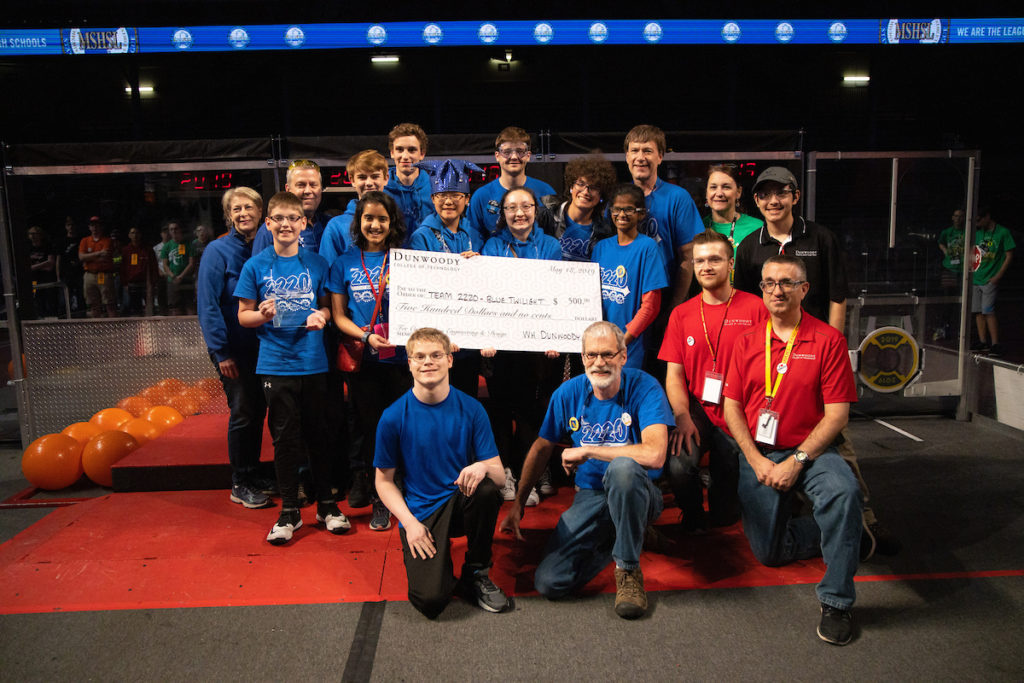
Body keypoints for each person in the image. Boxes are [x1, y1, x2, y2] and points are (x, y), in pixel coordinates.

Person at [733, 166, 898, 558]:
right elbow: (744, 304)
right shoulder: (749, 247)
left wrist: (834, 346)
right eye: (765, 195)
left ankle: (864, 522)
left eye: (781, 193)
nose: (773, 201)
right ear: (756, 201)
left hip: (816, 355)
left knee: (839, 444)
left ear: (794, 196)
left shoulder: (820, 237)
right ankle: (801, 518)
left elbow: (838, 296)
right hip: (768, 355)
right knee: (774, 438)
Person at [723, 255, 862, 645]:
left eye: (786, 283)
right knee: (769, 552)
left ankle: (836, 600)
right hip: (759, 451)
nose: (776, 290)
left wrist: (798, 461)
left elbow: (836, 416)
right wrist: (755, 459)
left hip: (811, 450)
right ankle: (847, 532)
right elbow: (732, 406)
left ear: (804, 289)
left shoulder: (827, 340)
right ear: (761, 290)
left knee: (843, 491)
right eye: (768, 283)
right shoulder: (746, 341)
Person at [500, 321, 673, 619]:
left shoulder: (645, 387)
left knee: (623, 469)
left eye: (607, 354)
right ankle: (627, 535)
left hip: (641, 491)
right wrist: (517, 503)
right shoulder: (568, 393)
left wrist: (589, 450)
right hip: (591, 495)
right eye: (591, 355)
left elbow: (655, 454)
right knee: (550, 582)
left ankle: (628, 570)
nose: (599, 362)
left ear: (623, 355)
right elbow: (542, 447)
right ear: (582, 359)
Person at [235, 191, 349, 544]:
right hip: (275, 365)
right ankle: (289, 512)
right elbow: (243, 316)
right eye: (278, 218)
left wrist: (322, 316)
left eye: (292, 218)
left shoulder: (317, 263)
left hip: (314, 363)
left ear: (303, 223)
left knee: (320, 434)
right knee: (285, 440)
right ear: (268, 223)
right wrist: (261, 315)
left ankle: (327, 506)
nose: (286, 224)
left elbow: (329, 309)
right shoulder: (255, 266)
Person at [374, 327, 510, 619]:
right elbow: (383, 482)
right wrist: (409, 523)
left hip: (461, 501)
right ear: (408, 363)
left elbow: (499, 478)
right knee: (431, 601)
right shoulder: (393, 417)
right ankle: (441, 566)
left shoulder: (472, 409)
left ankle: (476, 571)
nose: (428, 362)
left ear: (450, 360)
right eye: (419, 356)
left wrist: (482, 465)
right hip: (423, 511)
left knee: (485, 489)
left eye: (436, 355)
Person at [658, 230, 767, 530]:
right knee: (679, 465)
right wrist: (681, 416)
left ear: (730, 264)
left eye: (715, 260)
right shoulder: (681, 314)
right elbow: (675, 375)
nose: (706, 267)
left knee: (725, 515)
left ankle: (724, 509)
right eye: (700, 261)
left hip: (742, 409)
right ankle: (692, 515)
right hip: (698, 407)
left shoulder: (757, 308)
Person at [328, 191, 410, 532]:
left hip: (403, 360)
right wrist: (365, 336)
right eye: (368, 218)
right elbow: (337, 316)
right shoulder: (343, 262)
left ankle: (407, 493)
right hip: (366, 361)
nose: (375, 225)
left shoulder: (407, 259)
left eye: (382, 219)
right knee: (373, 429)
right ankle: (381, 499)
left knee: (405, 428)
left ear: (392, 223)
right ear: (358, 223)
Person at [479, 187, 561, 506]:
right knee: (499, 412)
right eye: (511, 207)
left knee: (530, 413)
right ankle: (506, 474)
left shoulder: (551, 246)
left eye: (525, 206)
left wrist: (555, 336)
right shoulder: (492, 246)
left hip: (537, 347)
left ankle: (529, 475)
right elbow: (486, 293)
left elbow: (558, 295)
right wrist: (487, 335)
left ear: (535, 210)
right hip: (500, 347)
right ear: (503, 213)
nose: (519, 213)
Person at [197, 187, 275, 510]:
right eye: (236, 209)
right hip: (234, 352)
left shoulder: (266, 248)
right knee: (243, 411)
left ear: (261, 213)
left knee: (258, 411)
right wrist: (221, 352)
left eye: (249, 207)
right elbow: (208, 305)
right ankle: (240, 482)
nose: (243, 213)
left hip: (264, 349)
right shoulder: (217, 251)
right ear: (229, 215)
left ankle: (253, 474)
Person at [408, 158, 485, 398]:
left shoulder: (475, 233)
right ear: (433, 199)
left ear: (467, 199)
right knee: (437, 398)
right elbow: (421, 286)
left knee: (467, 396)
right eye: (442, 195)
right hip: (436, 337)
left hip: (470, 335)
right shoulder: (421, 236)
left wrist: (479, 265)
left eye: (456, 195)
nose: (448, 201)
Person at [624, 125, 703, 307]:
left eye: (648, 151)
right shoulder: (618, 199)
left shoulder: (678, 197)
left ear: (660, 157)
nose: (640, 157)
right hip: (626, 298)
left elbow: (687, 257)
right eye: (634, 150)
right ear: (627, 157)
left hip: (665, 299)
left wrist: (675, 307)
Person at [591, 184, 667, 370]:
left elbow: (651, 306)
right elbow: (590, 298)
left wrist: (621, 342)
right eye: (617, 209)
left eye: (629, 209)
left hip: (630, 347)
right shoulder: (601, 247)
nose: (622, 214)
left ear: (641, 213)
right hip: (599, 344)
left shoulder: (648, 247)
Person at [465, 126, 557, 248]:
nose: (514, 157)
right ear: (497, 156)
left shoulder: (546, 192)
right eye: (507, 152)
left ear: (528, 155)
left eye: (520, 151)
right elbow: (475, 242)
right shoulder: (481, 196)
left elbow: (554, 237)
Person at [320, 150, 389, 265]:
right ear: (352, 180)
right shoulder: (336, 226)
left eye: (375, 176)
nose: (369, 183)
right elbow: (328, 273)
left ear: (386, 178)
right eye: (362, 177)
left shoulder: (396, 220)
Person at [547, 155, 617, 262]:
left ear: (601, 196)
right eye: (581, 184)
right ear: (571, 187)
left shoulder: (605, 232)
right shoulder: (547, 217)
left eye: (593, 187)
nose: (585, 192)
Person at [252, 160, 329, 255]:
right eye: (301, 185)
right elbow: (259, 268)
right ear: (288, 189)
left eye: (313, 185)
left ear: (321, 189)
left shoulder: (330, 225)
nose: (308, 191)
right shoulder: (271, 230)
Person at [969, 206, 1015, 356]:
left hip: (990, 277)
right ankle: (983, 341)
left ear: (987, 217)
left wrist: (998, 275)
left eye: (979, 220)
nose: (978, 223)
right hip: (977, 276)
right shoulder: (977, 233)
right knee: (978, 312)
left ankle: (995, 342)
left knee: (988, 310)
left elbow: (1009, 255)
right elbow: (972, 251)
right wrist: (971, 267)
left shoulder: (1003, 232)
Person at [384, 123, 436, 241]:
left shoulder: (436, 188)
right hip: (390, 255)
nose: (405, 156)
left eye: (411, 150)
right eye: (399, 150)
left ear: (422, 154)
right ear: (392, 153)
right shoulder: (381, 188)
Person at [703, 163, 763, 249]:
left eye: (726, 187)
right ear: (706, 193)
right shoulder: (698, 227)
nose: (719, 193)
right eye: (713, 187)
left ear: (738, 192)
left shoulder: (757, 228)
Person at [78, 216, 117, 318]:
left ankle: (114, 327)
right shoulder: (85, 241)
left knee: (109, 303)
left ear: (101, 227)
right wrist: (99, 253)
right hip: (89, 275)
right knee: (93, 304)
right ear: (89, 227)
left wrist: (89, 258)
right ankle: (97, 329)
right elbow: (81, 257)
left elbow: (105, 256)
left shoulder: (107, 241)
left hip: (104, 275)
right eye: (92, 225)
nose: (95, 227)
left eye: (97, 225)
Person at [120, 227, 158, 316]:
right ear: (129, 235)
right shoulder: (126, 250)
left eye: (137, 233)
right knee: (135, 310)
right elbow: (122, 268)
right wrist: (125, 283)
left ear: (140, 235)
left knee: (150, 309)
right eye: (132, 233)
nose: (135, 235)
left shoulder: (148, 249)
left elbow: (154, 267)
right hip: (132, 284)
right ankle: (138, 329)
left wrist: (153, 283)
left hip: (146, 284)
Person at [161, 221, 196, 315]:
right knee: (175, 307)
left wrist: (181, 276)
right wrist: (173, 276)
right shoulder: (167, 246)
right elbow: (165, 265)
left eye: (176, 228)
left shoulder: (188, 244)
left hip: (186, 278)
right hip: (172, 280)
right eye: (171, 229)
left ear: (180, 230)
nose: (174, 231)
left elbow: (191, 263)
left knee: (190, 305)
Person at [27, 225, 59, 318]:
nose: (32, 236)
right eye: (30, 234)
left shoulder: (48, 246)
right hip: (34, 279)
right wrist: (42, 265)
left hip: (47, 278)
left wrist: (34, 267)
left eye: (35, 234)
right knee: (37, 300)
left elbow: (50, 264)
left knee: (50, 300)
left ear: (40, 235)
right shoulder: (28, 248)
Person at [59, 216, 83, 313]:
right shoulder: (62, 241)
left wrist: (79, 262)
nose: (71, 227)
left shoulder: (81, 240)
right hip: (66, 273)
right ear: (66, 227)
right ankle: (66, 317)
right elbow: (58, 259)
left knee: (81, 296)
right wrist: (58, 275)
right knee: (65, 298)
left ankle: (81, 315)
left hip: (80, 273)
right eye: (69, 225)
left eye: (73, 225)